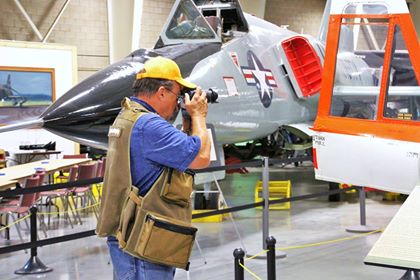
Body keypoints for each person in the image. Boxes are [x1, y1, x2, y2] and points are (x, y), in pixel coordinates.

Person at [96, 56, 211, 280]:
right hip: (142, 246)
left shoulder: (128, 116)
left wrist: (187, 125)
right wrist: (199, 115)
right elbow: (201, 157)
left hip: (128, 236)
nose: (179, 103)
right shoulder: (149, 125)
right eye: (177, 96)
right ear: (161, 92)